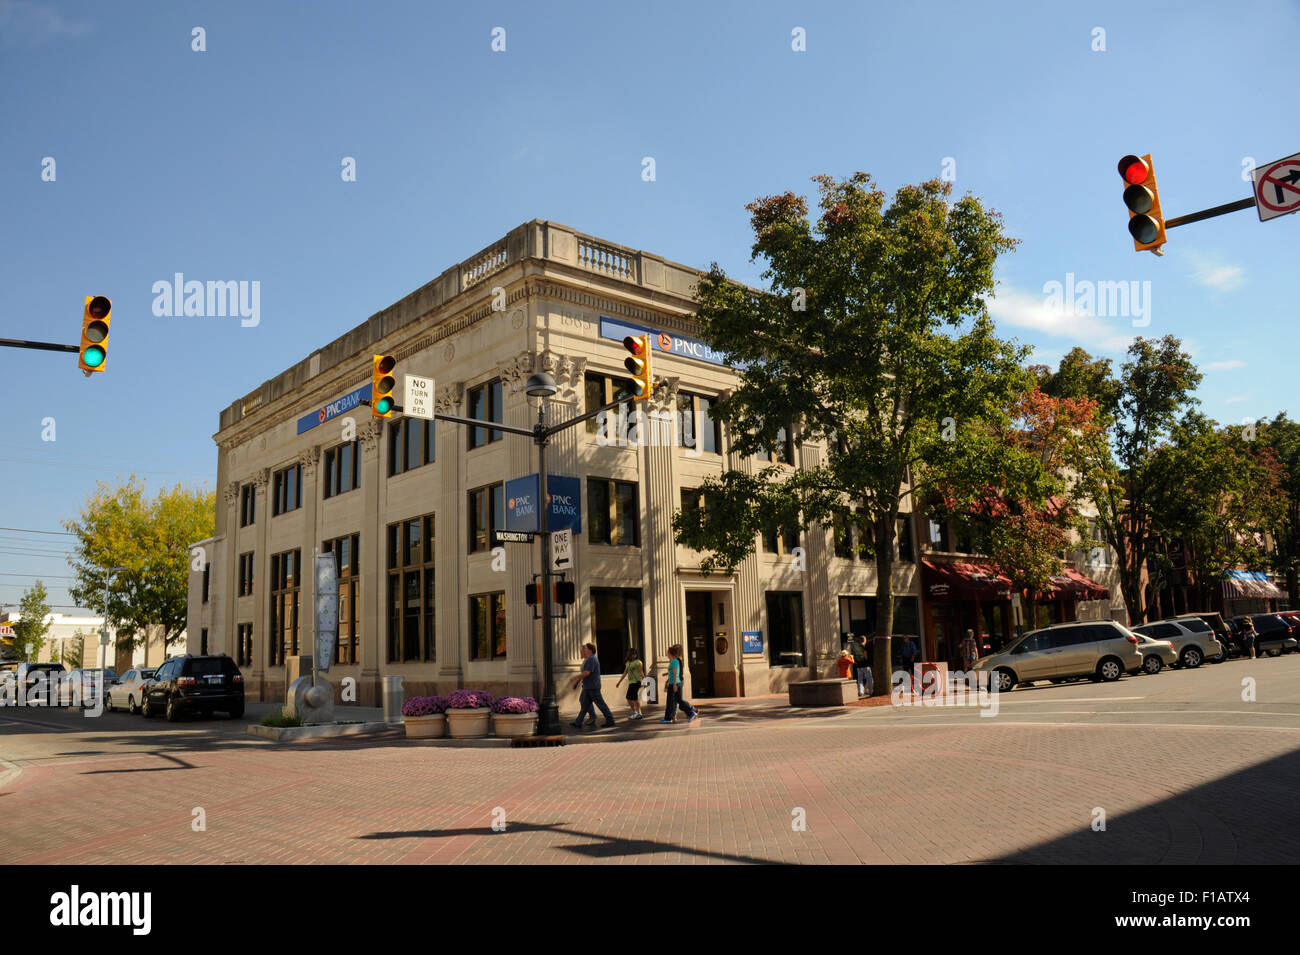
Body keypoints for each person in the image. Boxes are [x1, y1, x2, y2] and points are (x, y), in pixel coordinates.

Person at [571, 643, 616, 728]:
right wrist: (577, 682)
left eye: (585, 648)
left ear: (590, 650)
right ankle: (578, 722)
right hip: (588, 687)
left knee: (600, 704)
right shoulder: (588, 660)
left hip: (593, 687)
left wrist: (574, 678)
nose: (583, 650)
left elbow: (587, 673)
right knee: (584, 704)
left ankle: (610, 720)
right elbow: (584, 673)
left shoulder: (592, 659)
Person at [660, 644, 699, 725]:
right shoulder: (677, 660)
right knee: (677, 700)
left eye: (667, 652)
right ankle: (691, 711)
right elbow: (674, 671)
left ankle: (669, 718)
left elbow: (675, 673)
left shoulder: (674, 661)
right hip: (677, 682)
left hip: (675, 683)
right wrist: (666, 674)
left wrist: (674, 685)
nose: (666, 654)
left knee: (671, 701)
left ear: (671, 653)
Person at [615, 647, 645, 720]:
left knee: (632, 698)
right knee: (630, 698)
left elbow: (641, 672)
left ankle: (637, 713)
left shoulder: (638, 662)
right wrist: (619, 682)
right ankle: (637, 713)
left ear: (636, 655)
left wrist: (644, 681)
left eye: (634, 654)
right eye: (632, 654)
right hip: (631, 682)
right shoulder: (628, 663)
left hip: (636, 682)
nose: (633, 655)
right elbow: (625, 673)